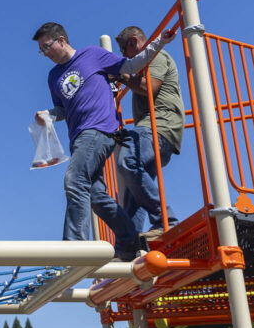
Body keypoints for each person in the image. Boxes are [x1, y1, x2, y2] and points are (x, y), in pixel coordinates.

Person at [32, 22, 174, 260]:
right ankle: (129, 238)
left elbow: (128, 66)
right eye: (41, 51)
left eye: (47, 47)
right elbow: (63, 108)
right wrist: (49, 114)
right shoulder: (53, 76)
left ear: (61, 40)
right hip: (77, 138)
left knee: (75, 179)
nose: (46, 54)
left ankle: (74, 249)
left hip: (98, 130)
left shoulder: (92, 55)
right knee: (96, 196)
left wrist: (159, 42)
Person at [114, 26, 185, 238]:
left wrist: (123, 76)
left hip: (161, 123)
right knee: (136, 189)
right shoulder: (144, 64)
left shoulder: (156, 56)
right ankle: (129, 241)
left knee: (127, 161)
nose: (124, 56)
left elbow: (150, 89)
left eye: (123, 50)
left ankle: (166, 220)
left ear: (134, 42)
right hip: (154, 126)